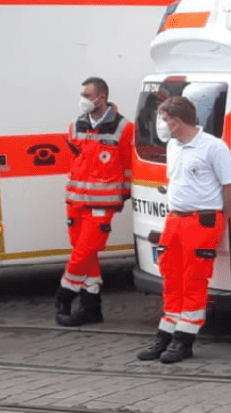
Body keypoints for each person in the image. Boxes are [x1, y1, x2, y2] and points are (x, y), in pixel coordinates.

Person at [136, 96, 231, 364]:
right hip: (175, 219)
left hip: (201, 221)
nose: (162, 125)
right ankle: (166, 335)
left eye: (165, 119)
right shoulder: (173, 145)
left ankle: (184, 340)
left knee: (194, 281)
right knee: (171, 277)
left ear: (178, 121)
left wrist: (222, 218)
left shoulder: (213, 147)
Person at [55, 77, 134, 326]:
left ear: (101, 97)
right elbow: (78, 163)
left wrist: (122, 196)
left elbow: (129, 167)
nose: (83, 100)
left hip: (102, 204)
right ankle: (91, 308)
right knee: (84, 254)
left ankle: (64, 295)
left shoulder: (123, 128)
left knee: (84, 253)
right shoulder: (75, 125)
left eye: (87, 96)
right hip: (75, 202)